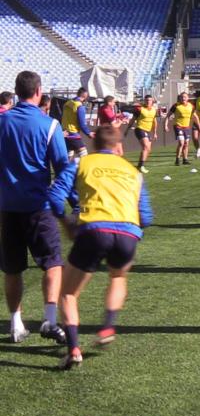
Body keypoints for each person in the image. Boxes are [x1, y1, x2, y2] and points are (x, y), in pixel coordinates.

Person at [49, 125, 153, 370]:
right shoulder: (132, 171)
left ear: (94, 145)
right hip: (127, 232)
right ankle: (107, 326)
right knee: (118, 277)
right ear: (119, 146)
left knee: (67, 293)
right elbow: (146, 217)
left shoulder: (81, 164)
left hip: (94, 230)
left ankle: (74, 348)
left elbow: (54, 197)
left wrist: (66, 222)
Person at [0, 71, 71, 344]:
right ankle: (49, 321)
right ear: (38, 91)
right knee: (52, 263)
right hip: (38, 207)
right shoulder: (50, 125)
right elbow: (63, 167)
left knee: (12, 268)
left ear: (17, 92)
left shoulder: (2, 122)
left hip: (8, 207)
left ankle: (16, 324)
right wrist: (63, 200)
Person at [164, 92, 199, 166]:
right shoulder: (176, 106)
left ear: (188, 98)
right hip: (178, 126)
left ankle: (185, 159)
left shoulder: (191, 106)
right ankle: (177, 159)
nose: (183, 98)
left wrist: (199, 127)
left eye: (185, 97)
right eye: (182, 97)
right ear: (180, 98)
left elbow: (194, 116)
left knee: (186, 144)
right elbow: (168, 116)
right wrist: (165, 125)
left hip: (186, 127)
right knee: (181, 143)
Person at [125, 95, 158, 173]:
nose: (148, 102)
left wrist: (155, 133)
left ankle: (139, 166)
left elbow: (154, 122)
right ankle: (141, 166)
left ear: (152, 101)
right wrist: (127, 130)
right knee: (146, 147)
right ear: (144, 101)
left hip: (148, 130)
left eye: (149, 100)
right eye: (146, 100)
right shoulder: (140, 109)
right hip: (140, 129)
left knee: (148, 149)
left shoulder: (154, 110)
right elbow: (132, 120)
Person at [61, 87, 95, 160]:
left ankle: (65, 170)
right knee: (84, 156)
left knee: (69, 155)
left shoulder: (67, 103)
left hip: (64, 133)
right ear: (85, 96)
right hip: (73, 133)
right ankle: (81, 171)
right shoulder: (80, 106)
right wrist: (88, 133)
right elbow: (82, 124)